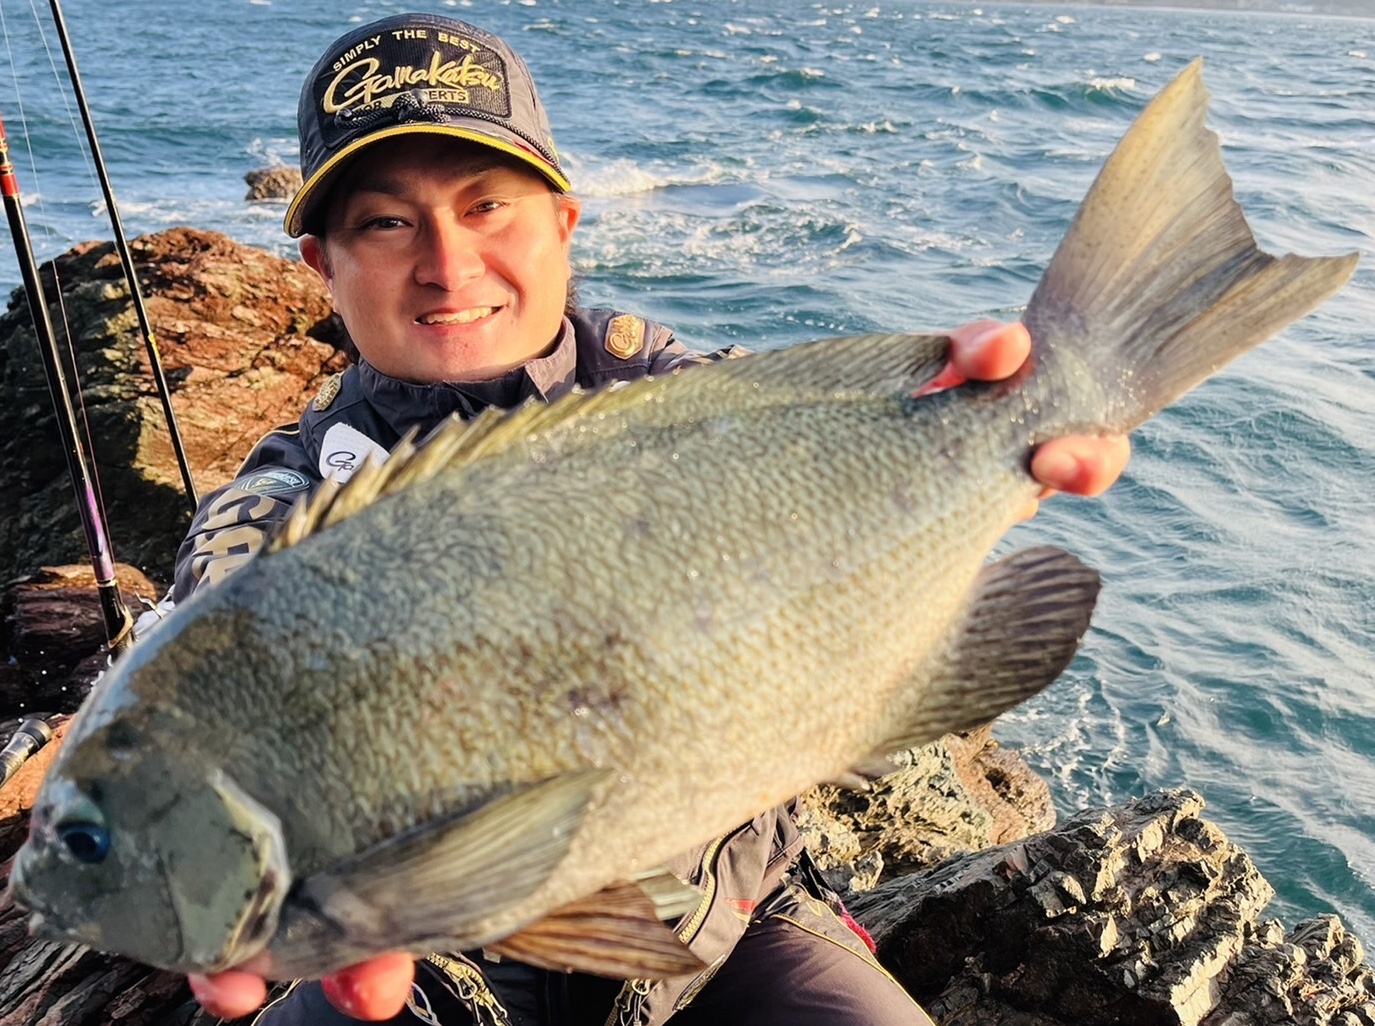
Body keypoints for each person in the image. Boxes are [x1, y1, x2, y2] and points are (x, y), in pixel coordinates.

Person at [172, 12, 1130, 1026]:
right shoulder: (286, 505)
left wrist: (993, 424)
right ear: (320, 264)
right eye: (385, 223)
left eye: (487, 205)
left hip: (726, 924)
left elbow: (842, 480)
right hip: (425, 958)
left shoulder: (694, 403)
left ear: (562, 224)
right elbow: (214, 670)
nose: (447, 264)